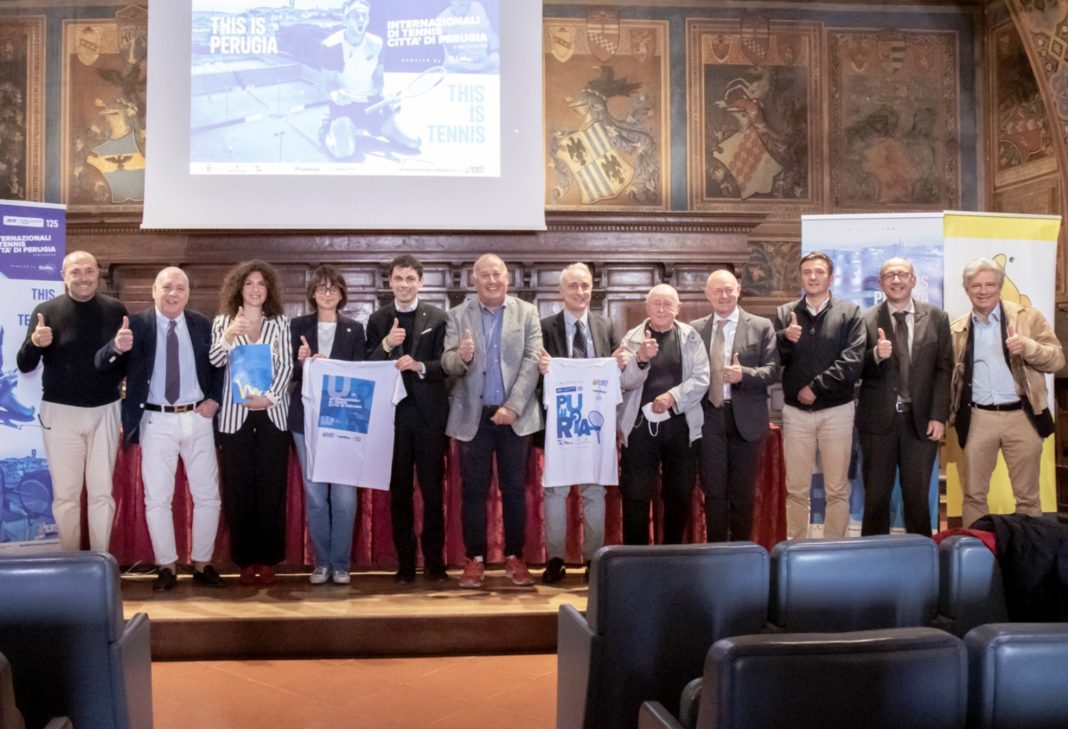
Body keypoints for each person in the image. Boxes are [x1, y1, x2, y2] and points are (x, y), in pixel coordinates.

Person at [95, 267, 226, 591]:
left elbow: (220, 366)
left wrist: (214, 399)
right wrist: (116, 348)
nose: (173, 294)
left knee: (208, 495)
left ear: (188, 294)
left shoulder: (202, 324)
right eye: (166, 287)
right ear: (154, 290)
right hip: (155, 420)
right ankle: (166, 566)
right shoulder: (135, 325)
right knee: (157, 498)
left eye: (180, 288)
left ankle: (203, 563)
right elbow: (102, 365)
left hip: (197, 418)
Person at [441, 254, 543, 588]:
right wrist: (461, 357)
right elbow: (447, 362)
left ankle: (515, 557)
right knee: (473, 490)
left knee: (514, 489)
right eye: (484, 275)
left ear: (507, 278)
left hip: (515, 416)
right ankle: (474, 559)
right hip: (473, 416)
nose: (492, 280)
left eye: (497, 274)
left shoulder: (527, 313)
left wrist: (513, 407)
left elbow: (533, 360)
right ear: (475, 281)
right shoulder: (457, 315)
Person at [17, 250, 127, 552]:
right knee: (65, 496)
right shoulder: (46, 311)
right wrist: (34, 344)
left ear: (98, 274)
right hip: (60, 412)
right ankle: (70, 563)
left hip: (105, 410)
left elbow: (122, 364)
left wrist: (119, 352)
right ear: (63, 276)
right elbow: (25, 365)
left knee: (102, 494)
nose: (83, 278)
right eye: (75, 272)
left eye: (89, 271)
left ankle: (101, 562)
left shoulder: (116, 310)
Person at [949, 257, 1064, 527]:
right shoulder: (957, 329)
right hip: (978, 418)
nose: (983, 291)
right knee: (974, 495)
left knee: (1028, 498)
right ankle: (977, 550)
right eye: (976, 285)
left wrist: (1028, 347)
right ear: (966, 289)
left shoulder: (1028, 317)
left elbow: (1057, 360)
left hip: (1022, 416)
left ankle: (1029, 550)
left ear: (1000, 286)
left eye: (990, 284)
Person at [537, 262, 626, 583]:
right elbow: (532, 373)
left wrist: (621, 362)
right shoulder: (545, 327)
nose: (580, 292)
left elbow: (619, 375)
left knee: (594, 489)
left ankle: (593, 559)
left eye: (585, 285)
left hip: (595, 420)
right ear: (561, 291)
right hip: (560, 420)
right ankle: (555, 559)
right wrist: (541, 368)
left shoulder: (605, 325)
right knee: (556, 489)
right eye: (573, 286)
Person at [366, 255, 449, 584]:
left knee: (432, 493)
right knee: (399, 493)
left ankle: (434, 562)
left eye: (410, 279)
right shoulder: (378, 319)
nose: (404, 285)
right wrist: (388, 344)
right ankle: (405, 563)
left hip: (429, 417)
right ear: (390, 282)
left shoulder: (438, 317)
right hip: (392, 417)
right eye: (398, 279)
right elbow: (366, 365)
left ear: (420, 282)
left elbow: (447, 365)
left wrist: (420, 366)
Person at [210, 260, 293, 586]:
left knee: (272, 488)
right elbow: (215, 360)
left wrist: (269, 398)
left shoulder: (280, 323)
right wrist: (229, 336)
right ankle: (245, 560)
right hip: (235, 416)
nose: (256, 289)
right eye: (249, 283)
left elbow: (286, 366)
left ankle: (269, 559)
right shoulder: (223, 322)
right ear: (238, 288)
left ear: (268, 289)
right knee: (238, 488)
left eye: (261, 284)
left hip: (272, 413)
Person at [856, 257, 952, 536]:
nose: (896, 280)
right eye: (889, 275)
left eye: (901, 274)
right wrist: (875, 355)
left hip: (920, 422)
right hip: (877, 423)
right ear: (881, 282)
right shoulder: (864, 318)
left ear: (913, 280)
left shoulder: (937, 317)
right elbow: (852, 367)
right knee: (875, 499)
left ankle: (921, 556)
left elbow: (943, 369)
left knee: (918, 498)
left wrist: (938, 415)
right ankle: (873, 555)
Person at [773, 251, 865, 540]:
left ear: (831, 277)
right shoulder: (785, 313)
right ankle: (796, 548)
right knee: (796, 489)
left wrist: (816, 387)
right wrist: (784, 339)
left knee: (837, 489)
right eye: (807, 272)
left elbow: (852, 362)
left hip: (836, 411)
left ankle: (834, 548)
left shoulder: (850, 312)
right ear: (800, 277)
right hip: (796, 414)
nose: (813, 277)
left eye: (819, 272)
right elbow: (772, 360)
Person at [288, 265, 366, 586]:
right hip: (305, 419)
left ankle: (341, 563)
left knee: (344, 496)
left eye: (334, 288)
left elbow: (361, 374)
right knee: (316, 494)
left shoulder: (354, 330)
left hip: (344, 420)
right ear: (312, 293)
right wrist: (302, 362)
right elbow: (288, 373)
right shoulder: (297, 326)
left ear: (342, 294)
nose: (328, 293)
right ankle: (322, 562)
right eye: (321, 287)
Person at [690, 269, 779, 542]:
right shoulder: (695, 329)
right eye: (717, 291)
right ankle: (716, 551)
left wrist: (745, 375)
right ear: (708, 295)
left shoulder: (761, 326)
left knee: (742, 493)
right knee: (714, 491)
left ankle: (742, 552)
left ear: (738, 290)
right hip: (709, 418)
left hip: (746, 420)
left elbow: (773, 370)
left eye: (729, 289)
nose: (724, 295)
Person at [617, 284, 710, 545]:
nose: (661, 309)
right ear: (647, 308)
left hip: (680, 425)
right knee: (635, 494)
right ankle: (634, 556)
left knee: (679, 494)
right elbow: (625, 382)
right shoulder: (631, 339)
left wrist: (673, 397)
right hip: (639, 428)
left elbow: (702, 378)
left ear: (677, 308)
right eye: (656, 303)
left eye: (667, 304)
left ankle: (672, 554)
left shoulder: (691, 337)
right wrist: (640, 359)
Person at [319, 0, 421, 159]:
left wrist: (387, 95)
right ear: (345, 19)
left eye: (364, 15)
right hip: (345, 107)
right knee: (343, 152)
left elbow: (378, 79)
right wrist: (336, 95)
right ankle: (326, 129)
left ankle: (369, 126)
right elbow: (328, 85)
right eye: (356, 15)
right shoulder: (330, 46)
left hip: (372, 104)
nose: (361, 19)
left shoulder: (377, 43)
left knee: (414, 142)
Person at [437, 0, 500, 72]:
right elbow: (453, 51)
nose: (465, 9)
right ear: (452, 1)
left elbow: (491, 36)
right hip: (455, 68)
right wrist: (475, 58)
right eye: (461, 5)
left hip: (482, 66)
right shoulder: (441, 19)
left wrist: (498, 49)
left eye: (468, 5)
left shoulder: (476, 7)